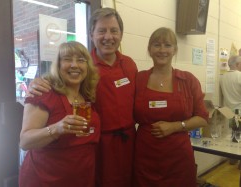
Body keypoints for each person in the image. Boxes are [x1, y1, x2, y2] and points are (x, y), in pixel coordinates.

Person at [26, 8, 137, 187]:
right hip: (96, 144)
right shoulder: (84, 66)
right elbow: (59, 81)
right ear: (92, 34)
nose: (108, 37)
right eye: (102, 31)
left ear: (121, 34)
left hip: (127, 142)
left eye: (114, 30)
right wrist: (36, 83)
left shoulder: (130, 65)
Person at [133, 27, 208, 187]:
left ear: (175, 50)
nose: (162, 50)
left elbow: (202, 118)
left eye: (167, 45)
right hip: (145, 156)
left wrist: (175, 126)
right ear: (149, 49)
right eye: (156, 45)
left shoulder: (188, 80)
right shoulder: (138, 79)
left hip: (178, 157)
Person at [19, 41, 100, 187]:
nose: (74, 65)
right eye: (67, 59)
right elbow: (25, 141)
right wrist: (57, 129)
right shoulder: (43, 93)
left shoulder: (87, 96)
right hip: (46, 179)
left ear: (87, 67)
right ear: (58, 65)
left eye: (81, 60)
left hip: (82, 178)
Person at [220, 55, 241, 166]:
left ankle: (233, 159)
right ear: (237, 64)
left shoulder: (223, 77)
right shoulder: (240, 76)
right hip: (240, 110)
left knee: (234, 135)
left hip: (229, 111)